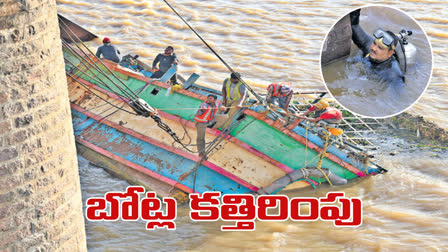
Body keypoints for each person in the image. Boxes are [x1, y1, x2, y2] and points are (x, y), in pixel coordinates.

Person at [349, 9, 405, 88]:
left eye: (380, 48)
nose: (374, 48)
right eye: (374, 43)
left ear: (390, 54)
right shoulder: (368, 45)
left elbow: (398, 97)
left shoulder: (393, 75)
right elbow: (353, 25)